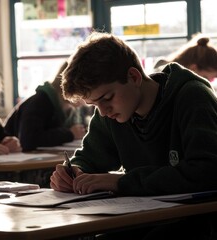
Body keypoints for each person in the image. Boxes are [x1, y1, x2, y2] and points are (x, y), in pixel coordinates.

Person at [50, 31, 217, 239]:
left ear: (134, 77)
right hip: (144, 217)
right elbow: (90, 157)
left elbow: (207, 172)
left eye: (107, 98)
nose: (102, 111)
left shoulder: (192, 96)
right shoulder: (112, 113)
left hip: (197, 221)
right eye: (94, 104)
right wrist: (74, 172)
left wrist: (121, 182)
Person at [4, 61, 93, 151]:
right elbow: (28, 140)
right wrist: (70, 134)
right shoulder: (40, 101)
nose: (87, 99)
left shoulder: (71, 107)